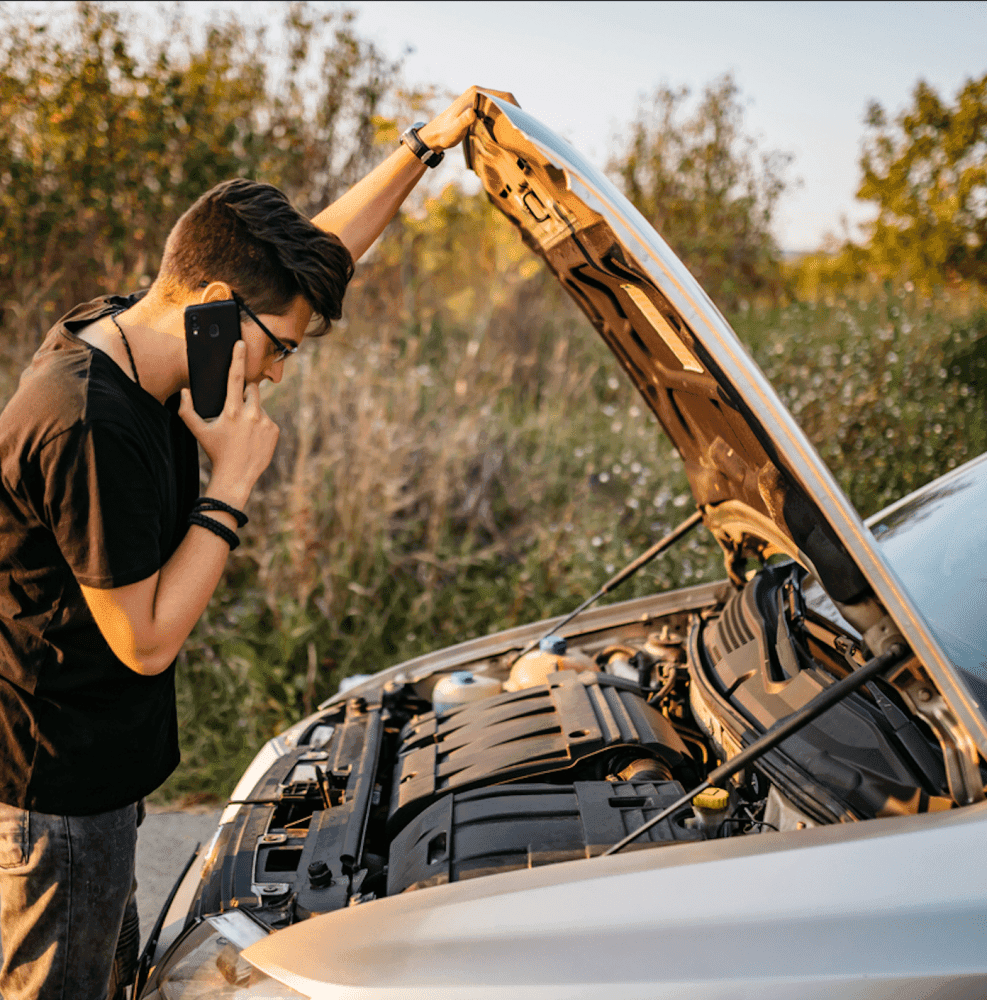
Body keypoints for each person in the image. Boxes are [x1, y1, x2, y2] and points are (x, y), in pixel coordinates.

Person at [0, 84, 513, 1000]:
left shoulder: (140, 334)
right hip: (57, 794)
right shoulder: (87, 423)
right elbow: (146, 640)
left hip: (95, 771)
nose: (278, 369)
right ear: (212, 305)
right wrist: (232, 485)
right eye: (280, 347)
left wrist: (421, 149)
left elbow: (316, 260)